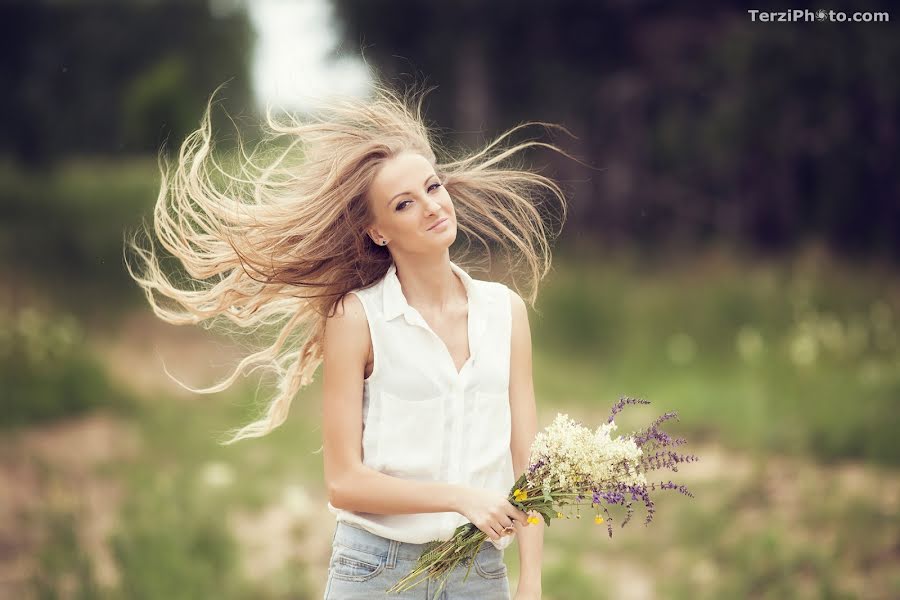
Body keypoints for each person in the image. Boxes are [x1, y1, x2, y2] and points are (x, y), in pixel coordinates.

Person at [125, 76, 572, 599]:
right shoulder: (356, 318)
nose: (431, 206)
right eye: (404, 204)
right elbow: (344, 481)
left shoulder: (506, 311)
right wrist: (461, 498)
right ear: (377, 231)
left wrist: (532, 579)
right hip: (376, 570)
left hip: (478, 573)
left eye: (433, 187)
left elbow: (528, 458)